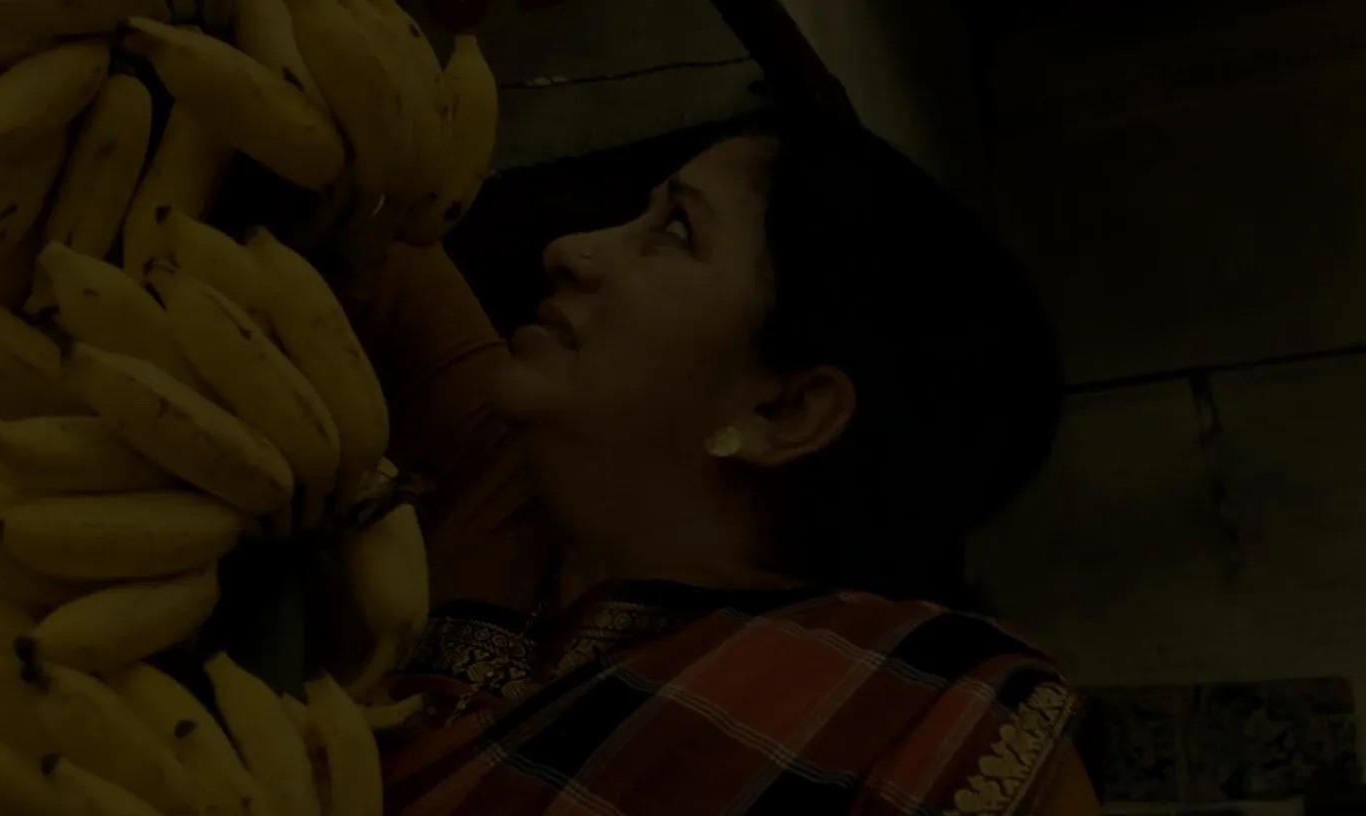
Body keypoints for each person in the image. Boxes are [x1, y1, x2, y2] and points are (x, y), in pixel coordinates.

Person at [332, 108, 1101, 814]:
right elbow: (361, 217)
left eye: (674, 231)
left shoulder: (928, 728)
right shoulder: (511, 479)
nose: (569, 251)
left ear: (783, 411)